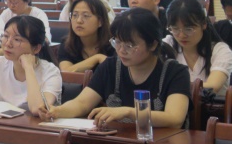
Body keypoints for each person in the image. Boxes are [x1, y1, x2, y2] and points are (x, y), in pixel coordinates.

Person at [43, 8, 190, 129]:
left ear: (153, 44)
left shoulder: (175, 72)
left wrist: (129, 112)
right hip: (118, 141)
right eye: (117, 42)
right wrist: (56, 111)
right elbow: (81, 103)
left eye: (129, 45)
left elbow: (174, 119)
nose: (121, 50)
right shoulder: (110, 67)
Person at [164, 0, 232, 97]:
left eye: (188, 29)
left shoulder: (220, 50)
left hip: (210, 106)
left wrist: (171, 86)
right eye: (175, 29)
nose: (181, 35)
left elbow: (211, 87)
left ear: (204, 24)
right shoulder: (168, 44)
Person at [58, 0, 114, 73]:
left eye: (86, 16)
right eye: (75, 15)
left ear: (100, 21)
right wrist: (97, 58)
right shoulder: (67, 44)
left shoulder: (114, 45)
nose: (79, 20)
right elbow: (66, 71)